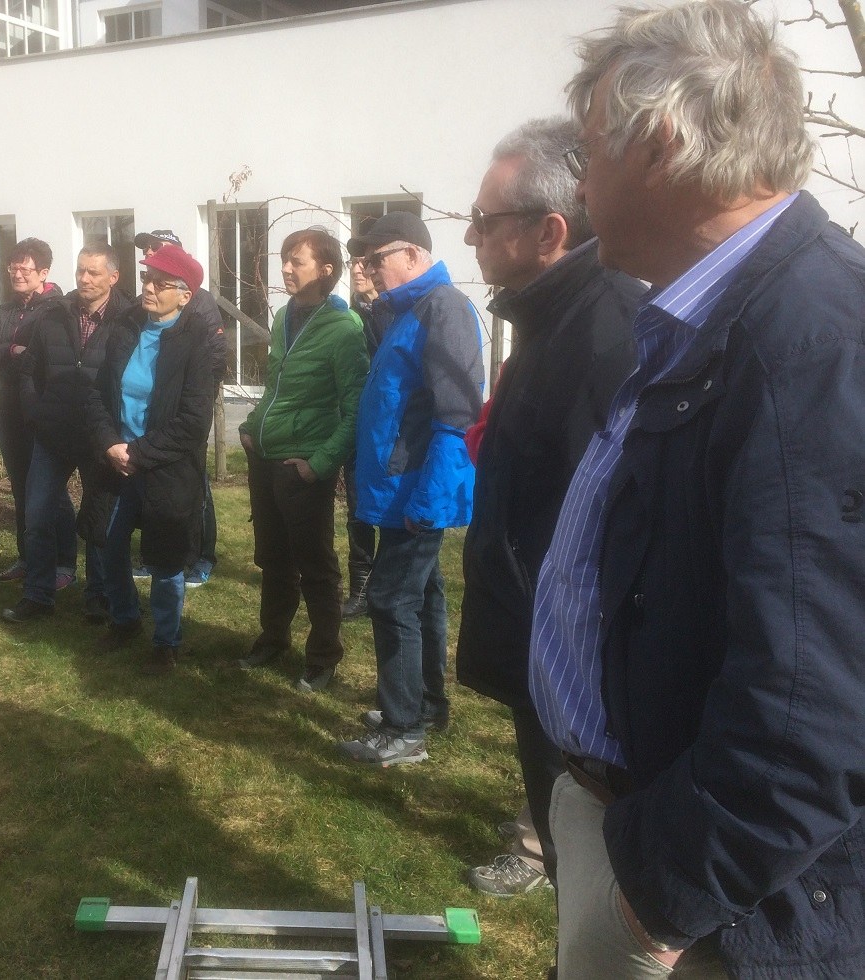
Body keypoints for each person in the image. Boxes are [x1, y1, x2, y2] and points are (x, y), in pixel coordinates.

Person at [530, 3, 865, 976]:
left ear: (663, 142)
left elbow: (814, 710)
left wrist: (659, 896)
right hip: (633, 820)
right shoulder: (711, 313)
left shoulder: (812, 343)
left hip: (716, 906)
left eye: (589, 150)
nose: (580, 182)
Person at [454, 117, 640, 900]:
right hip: (537, 632)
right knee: (557, 808)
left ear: (549, 231)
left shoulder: (603, 333)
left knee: (586, 862)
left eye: (484, 220)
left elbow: (604, 519)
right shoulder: (552, 316)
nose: (470, 236)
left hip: (569, 653)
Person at [335, 211, 483, 766]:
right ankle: (424, 704)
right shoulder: (407, 310)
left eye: (378, 258)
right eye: (364, 260)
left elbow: (457, 413)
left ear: (414, 255)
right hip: (401, 487)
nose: (369, 269)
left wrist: (431, 497)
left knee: (392, 599)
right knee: (422, 596)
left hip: (416, 489)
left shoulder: (442, 307)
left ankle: (403, 730)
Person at [237, 227, 368, 692]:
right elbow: (276, 387)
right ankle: (274, 638)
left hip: (303, 466)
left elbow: (356, 409)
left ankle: (323, 655)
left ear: (326, 270)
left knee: (315, 566)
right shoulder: (284, 317)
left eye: (297, 261)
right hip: (265, 457)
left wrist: (320, 463)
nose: (286, 269)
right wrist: (251, 427)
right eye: (285, 260)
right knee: (273, 560)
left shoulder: (344, 329)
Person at [83, 245, 222, 674]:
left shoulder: (198, 342)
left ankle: (166, 642)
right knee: (108, 544)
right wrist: (110, 443)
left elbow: (194, 421)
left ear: (185, 295)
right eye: (147, 279)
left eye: (162, 284)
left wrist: (139, 452)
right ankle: (124, 620)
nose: (149, 288)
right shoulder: (126, 328)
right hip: (117, 461)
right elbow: (98, 394)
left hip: (165, 467)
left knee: (164, 559)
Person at [0, 243, 137, 624]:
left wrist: (115, 432)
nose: (84, 279)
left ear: (113, 277)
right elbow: (29, 370)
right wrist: (35, 412)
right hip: (53, 433)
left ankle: (99, 596)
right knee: (37, 515)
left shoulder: (130, 319)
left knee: (98, 521)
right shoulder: (54, 314)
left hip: (100, 437)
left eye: (93, 272)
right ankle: (38, 594)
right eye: (80, 270)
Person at [133, 230, 224, 587]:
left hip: (185, 410)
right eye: (146, 251)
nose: (150, 253)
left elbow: (215, 355)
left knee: (194, 489)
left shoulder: (199, 302)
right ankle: (155, 556)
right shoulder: (142, 307)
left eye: (157, 248)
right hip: (149, 420)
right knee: (155, 495)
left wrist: (187, 391)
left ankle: (201, 556)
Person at [0, 239, 63, 583]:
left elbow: (44, 357)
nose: (17, 274)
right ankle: (27, 559)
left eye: (25, 268)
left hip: (42, 411)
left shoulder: (57, 309)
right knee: (20, 487)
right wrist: (10, 350)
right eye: (13, 268)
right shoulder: (5, 311)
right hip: (9, 411)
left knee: (51, 491)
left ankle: (63, 563)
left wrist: (12, 353)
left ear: (43, 273)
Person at [339, 254, 382, 620]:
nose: (356, 269)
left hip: (391, 428)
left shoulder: (395, 315)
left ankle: (391, 588)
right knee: (357, 510)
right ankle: (361, 589)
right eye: (352, 262)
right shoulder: (350, 318)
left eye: (365, 262)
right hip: (357, 424)